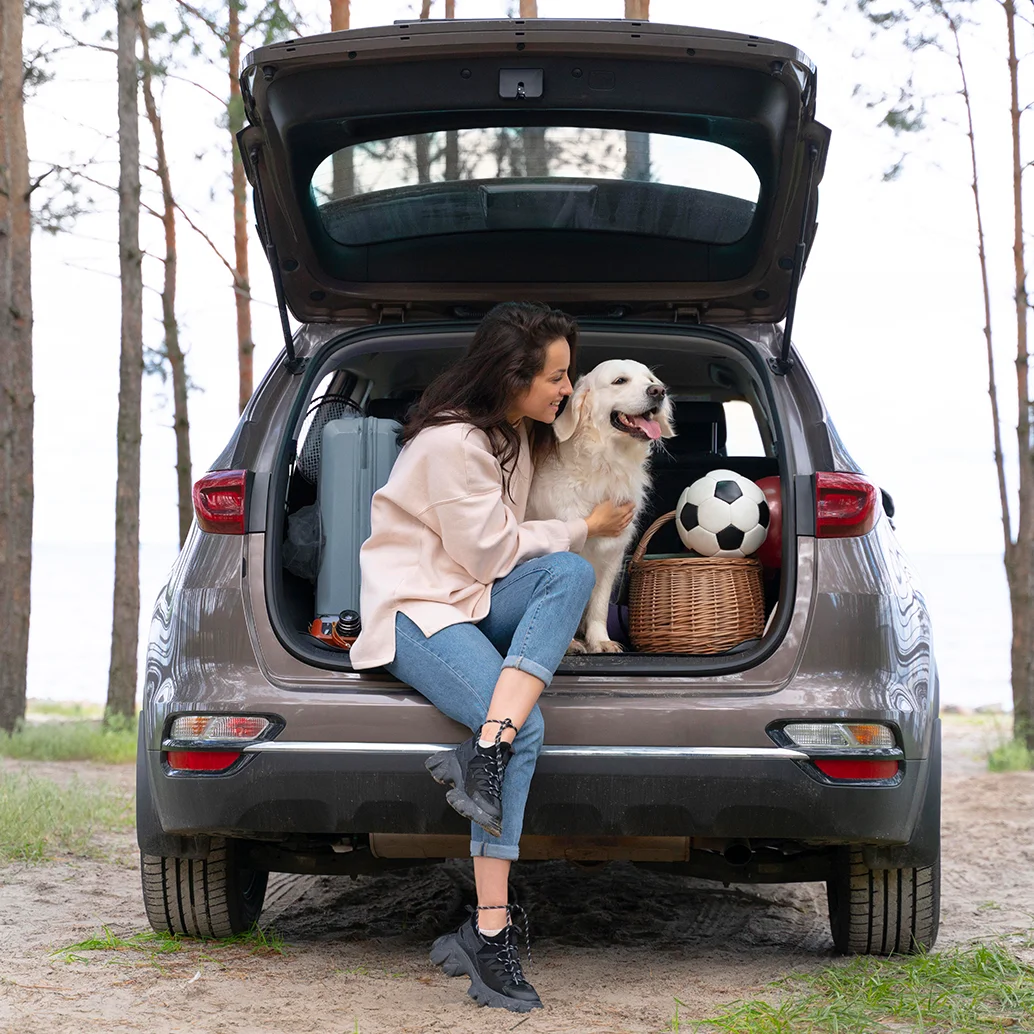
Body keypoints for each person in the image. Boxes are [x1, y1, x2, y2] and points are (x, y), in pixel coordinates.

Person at [348, 301, 635, 1012]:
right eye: (557, 377)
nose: (565, 389)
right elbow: (489, 550)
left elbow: (513, 550)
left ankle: (485, 753)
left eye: (569, 376)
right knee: (523, 728)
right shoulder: (451, 445)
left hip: (473, 598)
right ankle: (490, 930)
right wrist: (583, 525)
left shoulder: (513, 431)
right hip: (420, 608)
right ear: (514, 375)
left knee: (567, 574)